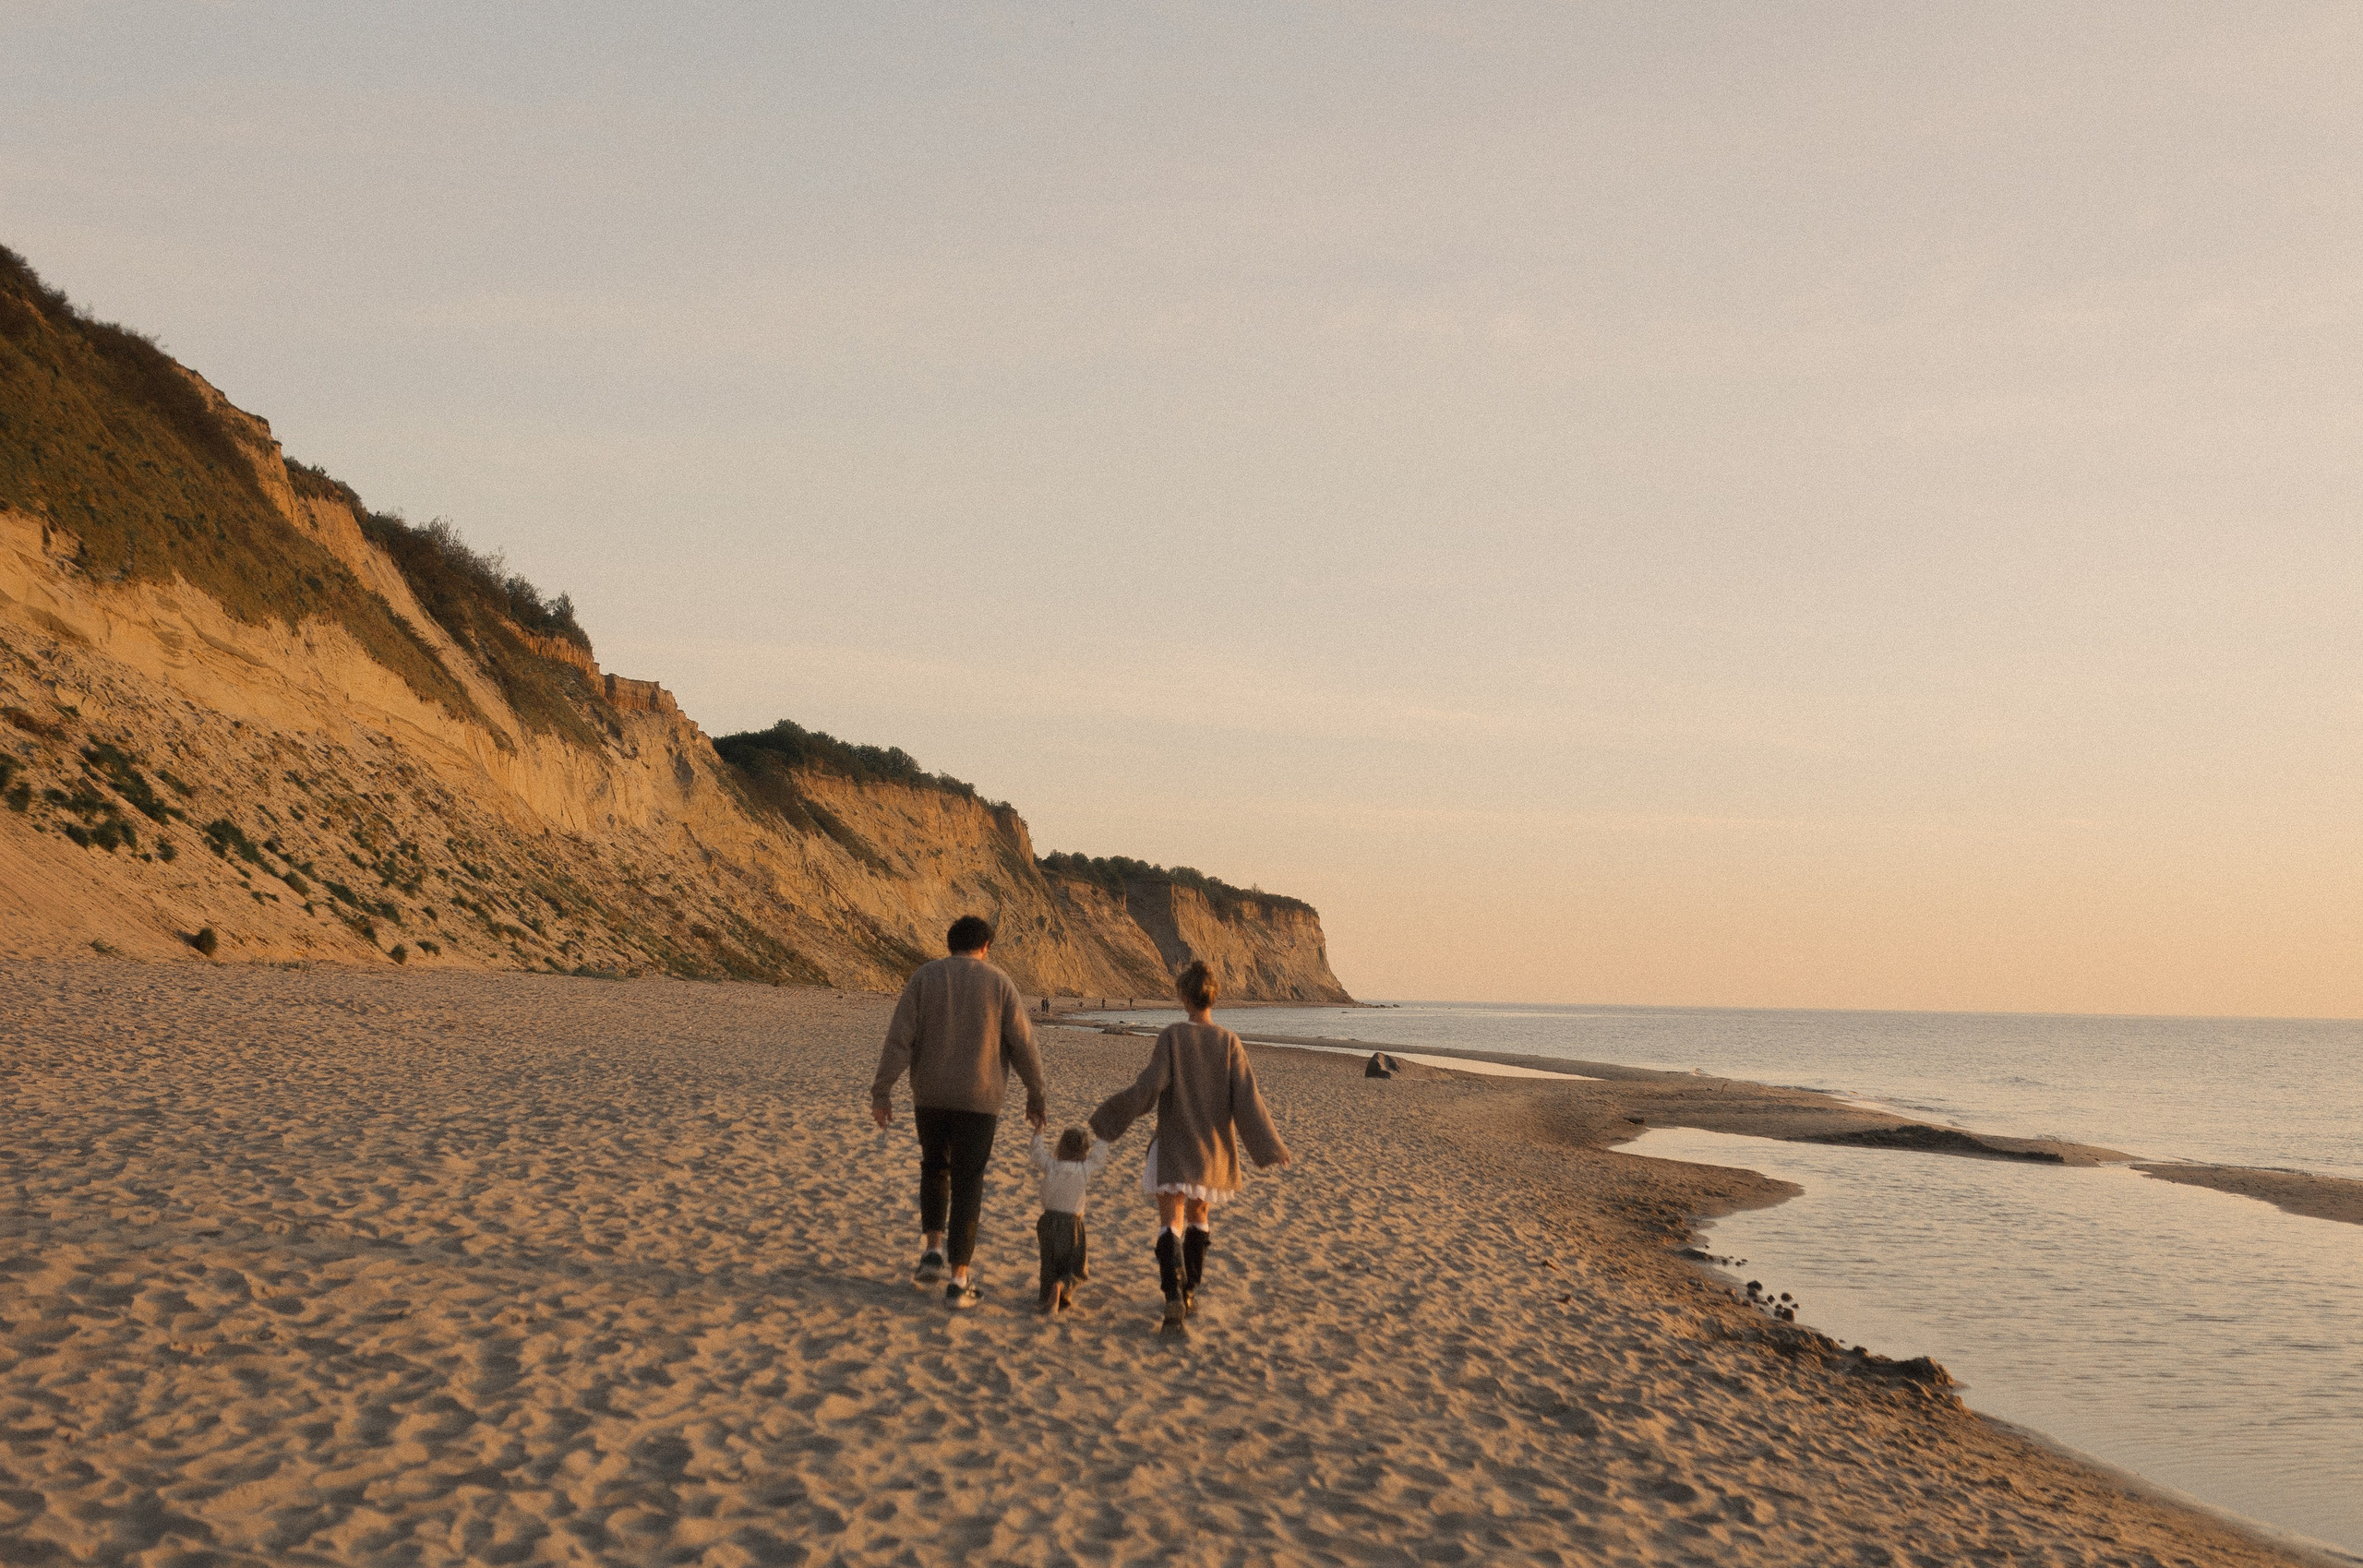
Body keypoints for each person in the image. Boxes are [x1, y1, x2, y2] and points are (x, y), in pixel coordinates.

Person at [1089, 959, 1290, 1336]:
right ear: (1214, 996)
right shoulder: (1230, 1042)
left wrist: (1109, 1118)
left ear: (1184, 996)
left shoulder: (1172, 1037)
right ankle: (1191, 1290)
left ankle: (1172, 1295)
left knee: (1171, 1222)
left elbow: (1149, 1087)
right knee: (1200, 1217)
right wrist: (1269, 1147)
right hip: (1212, 1152)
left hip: (1173, 1146)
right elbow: (1248, 1101)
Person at [870, 915, 1046, 1310]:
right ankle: (959, 1278)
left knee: (934, 1166)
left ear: (950, 943)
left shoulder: (924, 977)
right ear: (985, 946)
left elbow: (900, 1037)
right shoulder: (999, 982)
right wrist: (1036, 1096)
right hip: (979, 1099)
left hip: (929, 1095)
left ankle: (932, 1249)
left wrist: (882, 1091)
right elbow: (1023, 1045)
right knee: (969, 1181)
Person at [1029, 1126, 1110, 1313]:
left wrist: (1039, 1131)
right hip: (1072, 1224)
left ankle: (1047, 1293)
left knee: (1048, 1263)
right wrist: (1104, 1136)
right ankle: (1060, 1287)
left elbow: (1036, 1153)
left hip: (1047, 1221)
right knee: (1077, 1267)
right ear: (1084, 1151)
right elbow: (1098, 1158)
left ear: (1060, 1147)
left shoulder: (1051, 1166)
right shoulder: (1083, 1169)